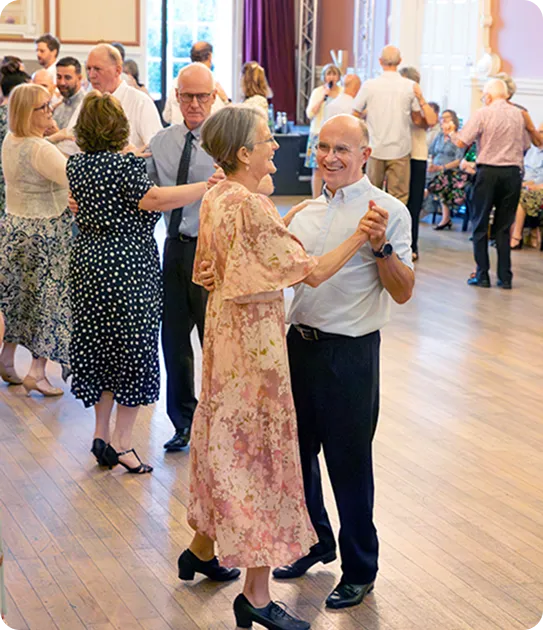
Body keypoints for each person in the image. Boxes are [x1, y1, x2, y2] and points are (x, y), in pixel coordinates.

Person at [185, 105, 372, 630]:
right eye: (267, 140)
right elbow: (309, 273)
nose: (275, 147)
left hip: (225, 337)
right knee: (259, 457)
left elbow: (215, 266)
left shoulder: (219, 194)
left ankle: (202, 549)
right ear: (244, 153)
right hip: (256, 350)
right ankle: (258, 597)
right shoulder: (251, 206)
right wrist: (360, 236)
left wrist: (281, 223)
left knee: (223, 440)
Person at [271, 115, 414, 611]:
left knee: (349, 465)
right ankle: (315, 540)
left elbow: (402, 292)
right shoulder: (305, 212)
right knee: (296, 456)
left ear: (364, 156)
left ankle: (360, 569)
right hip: (298, 346)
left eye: (342, 149)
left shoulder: (390, 212)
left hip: (350, 355)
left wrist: (381, 247)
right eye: (324, 147)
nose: (330, 157)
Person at [66, 91, 214, 474]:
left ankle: (100, 435)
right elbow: (157, 199)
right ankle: (124, 444)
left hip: (88, 265)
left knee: (99, 346)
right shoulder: (126, 170)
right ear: (118, 126)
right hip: (128, 269)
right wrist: (207, 186)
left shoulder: (78, 167)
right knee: (133, 351)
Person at [146, 62, 218, 452]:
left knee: (214, 342)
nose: (194, 104)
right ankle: (183, 422)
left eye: (202, 96)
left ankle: (218, 423)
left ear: (214, 97)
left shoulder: (226, 141)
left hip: (212, 253)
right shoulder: (162, 142)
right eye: (187, 96)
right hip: (173, 250)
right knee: (174, 341)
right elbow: (142, 189)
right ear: (176, 96)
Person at [0, 84, 72, 395]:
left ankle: (7, 359)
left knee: (17, 300)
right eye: (43, 107)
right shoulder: (41, 150)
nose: (50, 111)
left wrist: (57, 135)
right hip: (45, 235)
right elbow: (74, 177)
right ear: (27, 113)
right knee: (47, 303)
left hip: (15, 230)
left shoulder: (10, 140)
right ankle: (37, 372)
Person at [446, 78, 530, 289]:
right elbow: (526, 145)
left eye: (484, 96)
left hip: (488, 172)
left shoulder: (483, 113)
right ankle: (505, 277)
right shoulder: (519, 115)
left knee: (480, 224)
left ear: (489, 96)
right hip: (512, 174)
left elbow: (462, 141)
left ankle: (482, 275)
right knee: (503, 227)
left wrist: (451, 133)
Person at [352, 45, 436, 204]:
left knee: (371, 196)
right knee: (398, 199)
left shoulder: (369, 85)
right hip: (400, 150)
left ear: (380, 61)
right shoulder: (409, 86)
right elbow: (418, 119)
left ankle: (370, 227)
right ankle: (394, 228)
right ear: (400, 61)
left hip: (375, 148)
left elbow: (354, 113)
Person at [399, 66, 432, 260]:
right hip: (398, 153)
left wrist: (419, 99)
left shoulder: (420, 104)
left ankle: (412, 245)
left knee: (414, 204)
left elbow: (428, 121)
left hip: (417, 155)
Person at [162, 41, 226, 125]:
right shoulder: (212, 85)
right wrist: (225, 100)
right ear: (210, 56)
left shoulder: (177, 82)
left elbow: (167, 116)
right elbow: (222, 120)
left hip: (177, 134)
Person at [305, 63, 343, 198]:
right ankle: (315, 199)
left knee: (337, 168)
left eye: (334, 74)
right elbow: (310, 114)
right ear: (324, 77)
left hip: (338, 135)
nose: (331, 77)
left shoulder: (342, 93)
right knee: (317, 170)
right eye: (328, 74)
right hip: (318, 134)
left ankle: (335, 198)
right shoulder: (318, 92)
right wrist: (323, 97)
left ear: (338, 76)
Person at [427, 109, 469, 230]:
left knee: (442, 180)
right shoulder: (439, 136)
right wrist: (431, 164)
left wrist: (441, 167)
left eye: (446, 118)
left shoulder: (458, 137)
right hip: (435, 167)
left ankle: (445, 218)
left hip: (451, 170)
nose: (443, 121)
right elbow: (431, 152)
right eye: (442, 118)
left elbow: (458, 160)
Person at [510, 124, 543, 250]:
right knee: (506, 191)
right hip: (525, 184)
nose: (537, 134)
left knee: (522, 196)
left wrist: (527, 184)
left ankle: (516, 236)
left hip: (539, 188)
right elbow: (522, 170)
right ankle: (502, 234)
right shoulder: (531, 150)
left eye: (541, 131)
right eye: (537, 131)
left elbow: (539, 180)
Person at [53, 56, 85, 130]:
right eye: (59, 77)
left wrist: (57, 135)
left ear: (79, 78)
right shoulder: (57, 106)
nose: (62, 83)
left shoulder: (87, 106)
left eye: (67, 78)